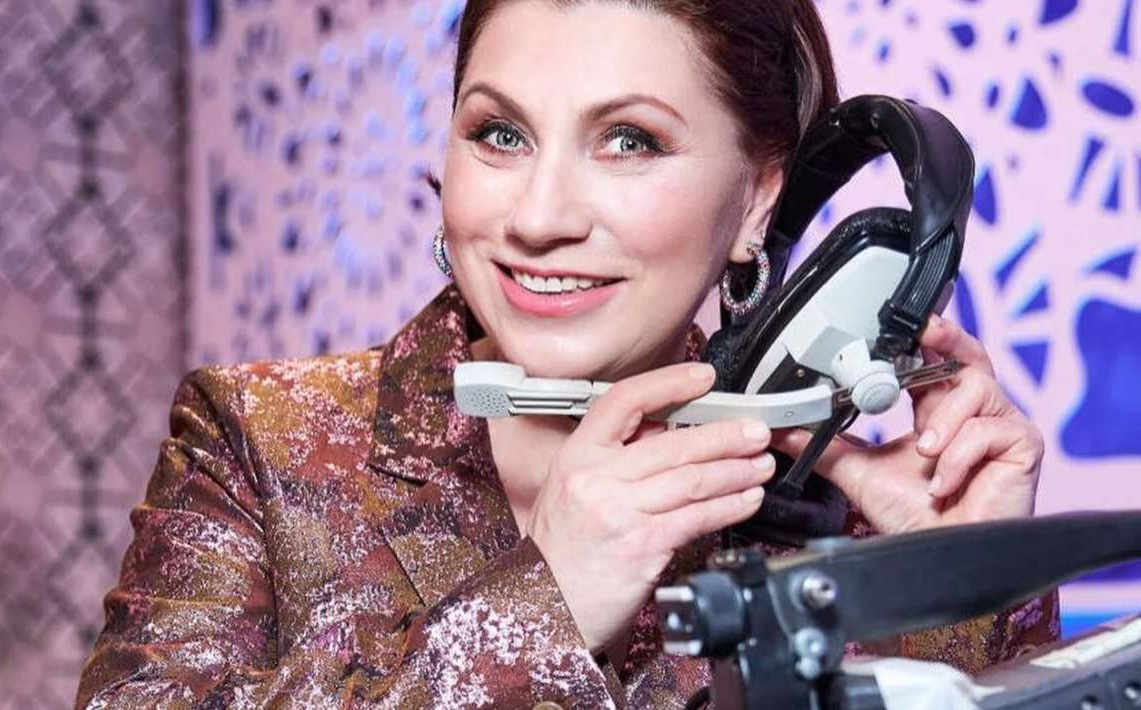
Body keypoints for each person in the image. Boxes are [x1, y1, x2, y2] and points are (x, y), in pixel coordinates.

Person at [76, 1, 1057, 707]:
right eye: (499, 133)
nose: (537, 218)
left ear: (760, 198)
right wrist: (540, 605)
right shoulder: (259, 439)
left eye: (628, 141)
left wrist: (960, 589)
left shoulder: (839, 513)